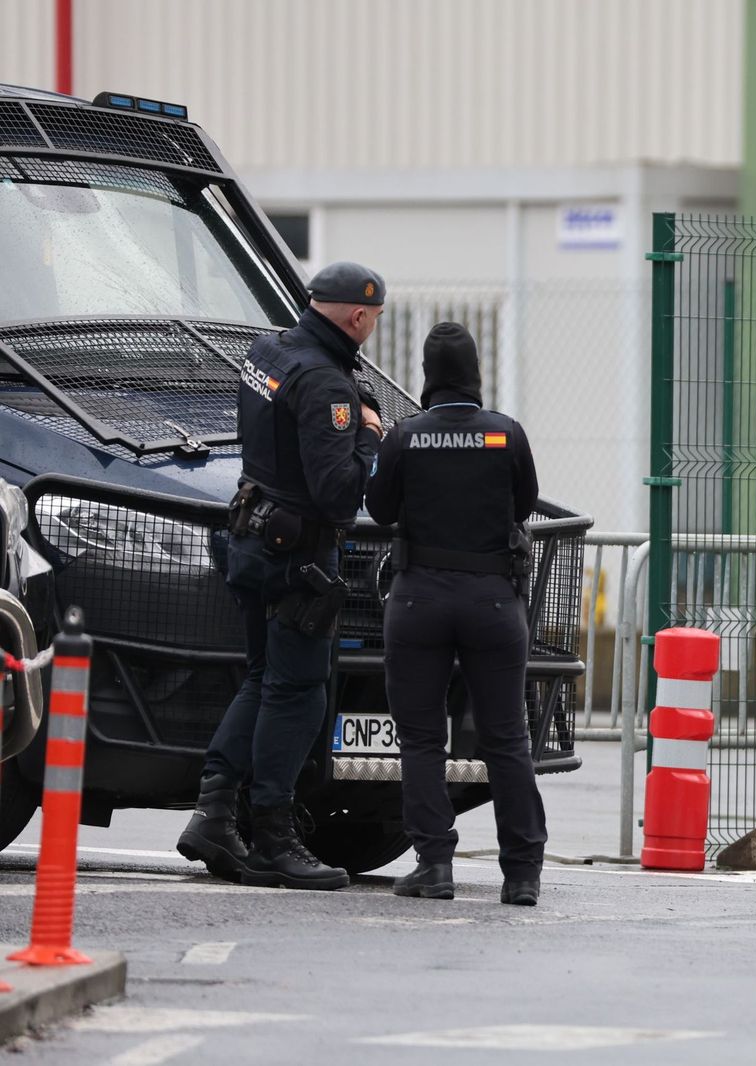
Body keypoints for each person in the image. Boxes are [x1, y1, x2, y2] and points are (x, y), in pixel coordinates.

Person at [176, 261, 386, 891]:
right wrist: (369, 437)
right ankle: (273, 836)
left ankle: (214, 814)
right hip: (299, 559)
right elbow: (340, 494)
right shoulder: (326, 384)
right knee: (299, 693)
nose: (371, 328)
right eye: (372, 319)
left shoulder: (268, 350)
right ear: (357, 316)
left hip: (253, 537)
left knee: (264, 678)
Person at [364, 322, 547, 906]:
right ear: (474, 373)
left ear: (427, 375)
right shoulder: (505, 435)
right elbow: (523, 505)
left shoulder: (404, 435)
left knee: (421, 740)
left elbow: (380, 507)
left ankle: (435, 865)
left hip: (419, 600)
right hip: (493, 600)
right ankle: (521, 874)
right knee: (507, 739)